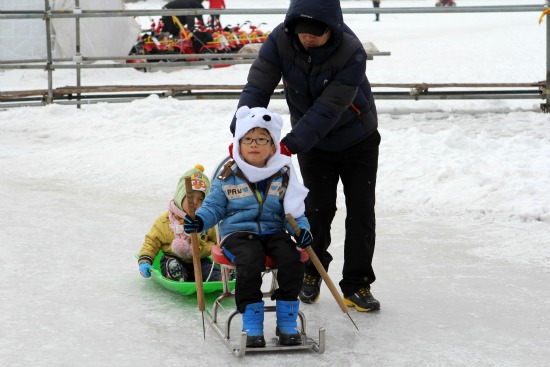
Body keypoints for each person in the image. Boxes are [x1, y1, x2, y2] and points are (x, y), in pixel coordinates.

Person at [230, 0, 381, 312]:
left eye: (316, 32)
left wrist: (287, 145)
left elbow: (328, 110)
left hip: (357, 139)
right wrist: (241, 130)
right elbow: (257, 85)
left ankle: (356, 284)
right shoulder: (280, 40)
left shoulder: (351, 52)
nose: (307, 38)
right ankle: (312, 272)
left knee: (361, 211)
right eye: (302, 31)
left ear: (332, 28)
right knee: (315, 211)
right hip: (314, 145)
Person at [184, 106, 313, 348]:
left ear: (273, 146)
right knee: (250, 259)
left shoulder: (282, 173)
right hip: (238, 234)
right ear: (239, 143)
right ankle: (252, 322)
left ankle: (287, 320)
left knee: (292, 259)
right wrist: (199, 220)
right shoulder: (228, 175)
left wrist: (302, 231)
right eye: (248, 139)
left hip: (273, 232)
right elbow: (213, 207)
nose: (254, 144)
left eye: (262, 139)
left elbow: (293, 212)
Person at [138, 164, 222, 283]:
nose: (195, 202)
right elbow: (151, 242)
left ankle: (221, 277)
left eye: (201, 199)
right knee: (171, 264)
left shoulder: (206, 222)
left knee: (210, 270)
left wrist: (227, 257)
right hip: (172, 258)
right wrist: (145, 262)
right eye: (190, 197)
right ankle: (176, 275)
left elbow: (219, 241)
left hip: (200, 260)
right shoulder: (165, 220)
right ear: (180, 196)